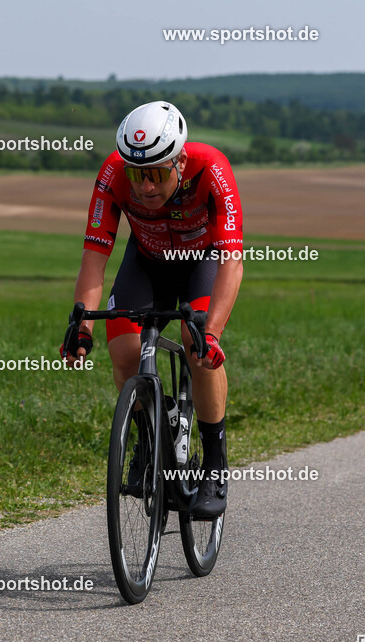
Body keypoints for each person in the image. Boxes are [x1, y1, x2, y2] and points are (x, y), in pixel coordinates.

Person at [62, 100, 243, 519]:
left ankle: (215, 465)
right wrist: (81, 325)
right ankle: (147, 442)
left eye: (157, 174)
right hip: (146, 262)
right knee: (124, 356)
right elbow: (94, 255)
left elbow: (231, 260)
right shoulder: (112, 172)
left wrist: (211, 332)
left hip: (201, 264)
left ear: (180, 159)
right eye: (136, 174)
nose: (145, 187)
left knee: (195, 345)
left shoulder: (212, 167)